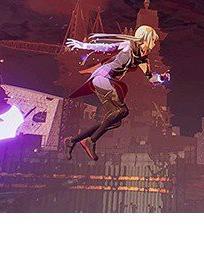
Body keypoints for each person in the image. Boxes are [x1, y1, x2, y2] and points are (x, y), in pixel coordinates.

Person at [63, 25, 169, 161]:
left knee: (114, 120)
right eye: (153, 40)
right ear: (146, 38)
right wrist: (83, 45)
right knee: (121, 111)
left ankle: (72, 141)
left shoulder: (142, 58)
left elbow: (151, 78)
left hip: (108, 81)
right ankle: (90, 141)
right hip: (102, 76)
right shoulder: (129, 45)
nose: (154, 44)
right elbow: (107, 47)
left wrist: (161, 78)